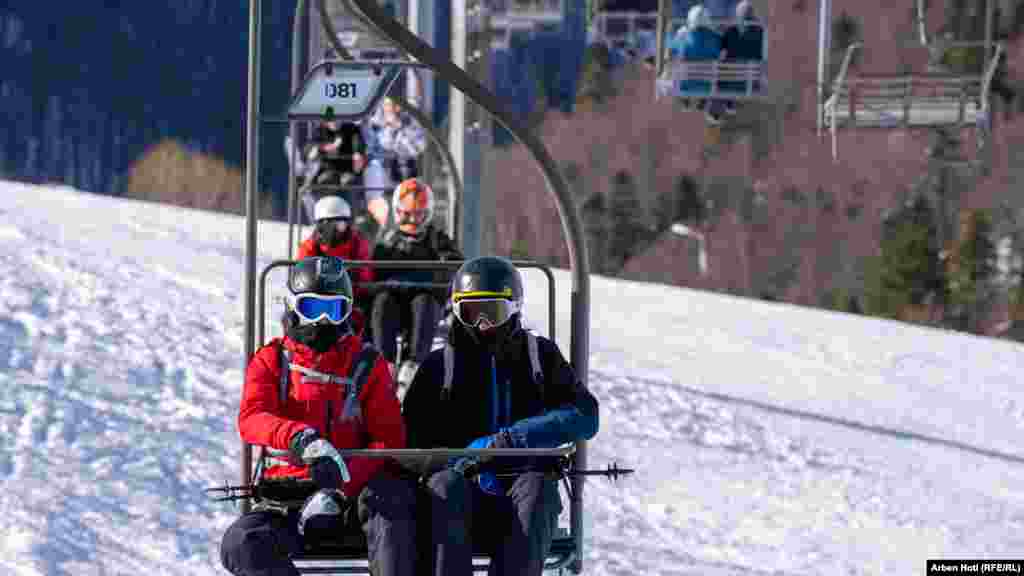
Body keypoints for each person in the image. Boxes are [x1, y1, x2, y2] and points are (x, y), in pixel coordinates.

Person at [402, 256, 600, 576]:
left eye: (491, 313)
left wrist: (508, 441)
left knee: (539, 490)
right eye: (470, 313)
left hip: (520, 494)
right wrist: (457, 461)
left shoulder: (539, 357)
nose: (481, 325)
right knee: (444, 488)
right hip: (461, 497)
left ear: (514, 308)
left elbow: (585, 414)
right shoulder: (442, 366)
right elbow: (410, 441)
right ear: (456, 311)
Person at [220, 256, 416, 576]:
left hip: (352, 497)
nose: (322, 321)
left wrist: (340, 487)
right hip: (289, 495)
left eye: (334, 310)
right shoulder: (272, 360)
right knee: (242, 542)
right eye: (312, 309)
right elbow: (252, 418)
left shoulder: (366, 363)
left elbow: (389, 437)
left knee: (393, 511)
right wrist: (300, 439)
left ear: (347, 312)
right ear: (293, 306)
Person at [370, 178, 462, 393]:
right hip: (394, 301)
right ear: (397, 212)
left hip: (424, 299)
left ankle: (413, 363)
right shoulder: (388, 241)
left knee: (424, 302)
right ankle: (386, 364)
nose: (412, 220)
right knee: (382, 302)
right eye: (406, 214)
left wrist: (438, 272)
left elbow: (453, 265)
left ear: (427, 214)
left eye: (417, 215)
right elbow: (374, 271)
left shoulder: (436, 240)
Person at [298, 196, 374, 317]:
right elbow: (302, 278)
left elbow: (365, 276)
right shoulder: (311, 246)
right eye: (332, 225)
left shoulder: (357, 243)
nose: (336, 230)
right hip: (319, 300)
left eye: (340, 224)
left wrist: (351, 286)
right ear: (322, 225)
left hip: (352, 299)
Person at [363, 97, 428, 228]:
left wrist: (398, 129)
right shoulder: (375, 125)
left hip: (408, 176)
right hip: (384, 180)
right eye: (387, 106)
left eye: (394, 106)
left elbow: (419, 147)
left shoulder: (409, 122)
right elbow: (380, 146)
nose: (390, 109)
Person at [719, 0, 763, 108]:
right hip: (751, 81)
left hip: (730, 79)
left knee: (720, 67)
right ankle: (729, 103)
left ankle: (728, 102)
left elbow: (721, 47)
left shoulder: (730, 30)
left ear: (737, 15)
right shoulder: (760, 31)